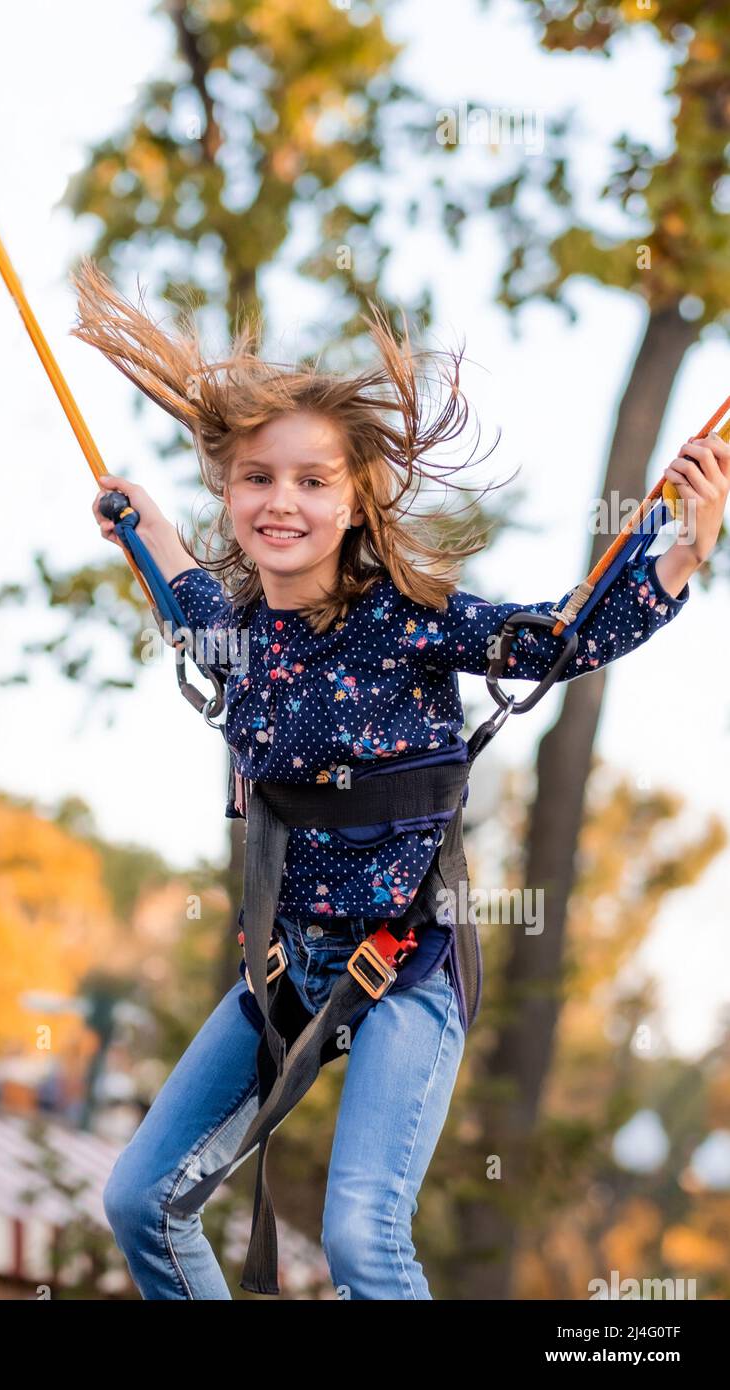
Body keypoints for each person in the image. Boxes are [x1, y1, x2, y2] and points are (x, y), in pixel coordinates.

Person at [74, 258, 725, 1298]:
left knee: (361, 1236)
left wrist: (679, 550)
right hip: (287, 966)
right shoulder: (231, 636)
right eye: (255, 478)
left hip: (406, 962)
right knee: (139, 1199)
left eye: (310, 480)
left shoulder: (407, 623)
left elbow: (554, 638)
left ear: (354, 497)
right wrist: (136, 518)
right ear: (227, 491)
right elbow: (176, 580)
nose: (279, 500)